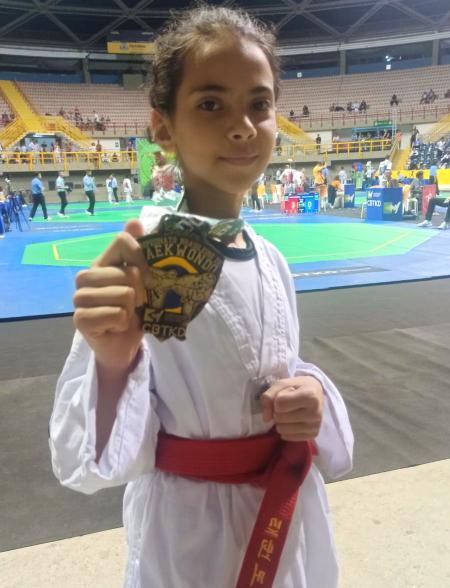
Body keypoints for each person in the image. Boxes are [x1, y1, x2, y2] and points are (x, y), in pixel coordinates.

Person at [49, 8, 353, 588]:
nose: (243, 127)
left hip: (284, 511)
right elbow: (86, 464)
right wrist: (111, 361)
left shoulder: (269, 257)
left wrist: (308, 394)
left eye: (259, 104)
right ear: (163, 127)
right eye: (211, 104)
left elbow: (278, 366)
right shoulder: (146, 262)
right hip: (190, 531)